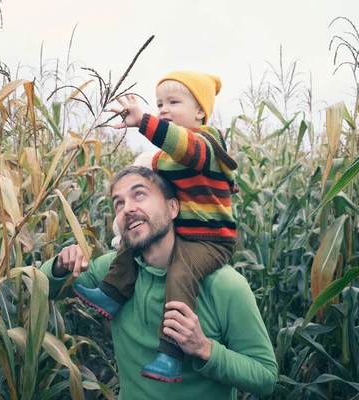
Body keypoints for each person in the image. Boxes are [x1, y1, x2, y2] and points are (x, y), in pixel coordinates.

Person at [39, 166, 277, 399]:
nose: (128, 209)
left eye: (139, 194)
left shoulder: (225, 285)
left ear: (173, 208)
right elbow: (43, 288)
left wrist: (204, 348)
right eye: (118, 203)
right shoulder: (112, 273)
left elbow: (265, 377)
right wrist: (61, 265)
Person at [73, 71, 238, 382]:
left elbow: (187, 149)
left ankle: (172, 353)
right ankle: (112, 291)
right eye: (160, 102)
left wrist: (145, 121)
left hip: (211, 239)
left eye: (174, 102)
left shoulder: (208, 142)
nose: (163, 108)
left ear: (200, 112)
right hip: (183, 231)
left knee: (181, 272)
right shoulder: (165, 157)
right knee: (134, 232)